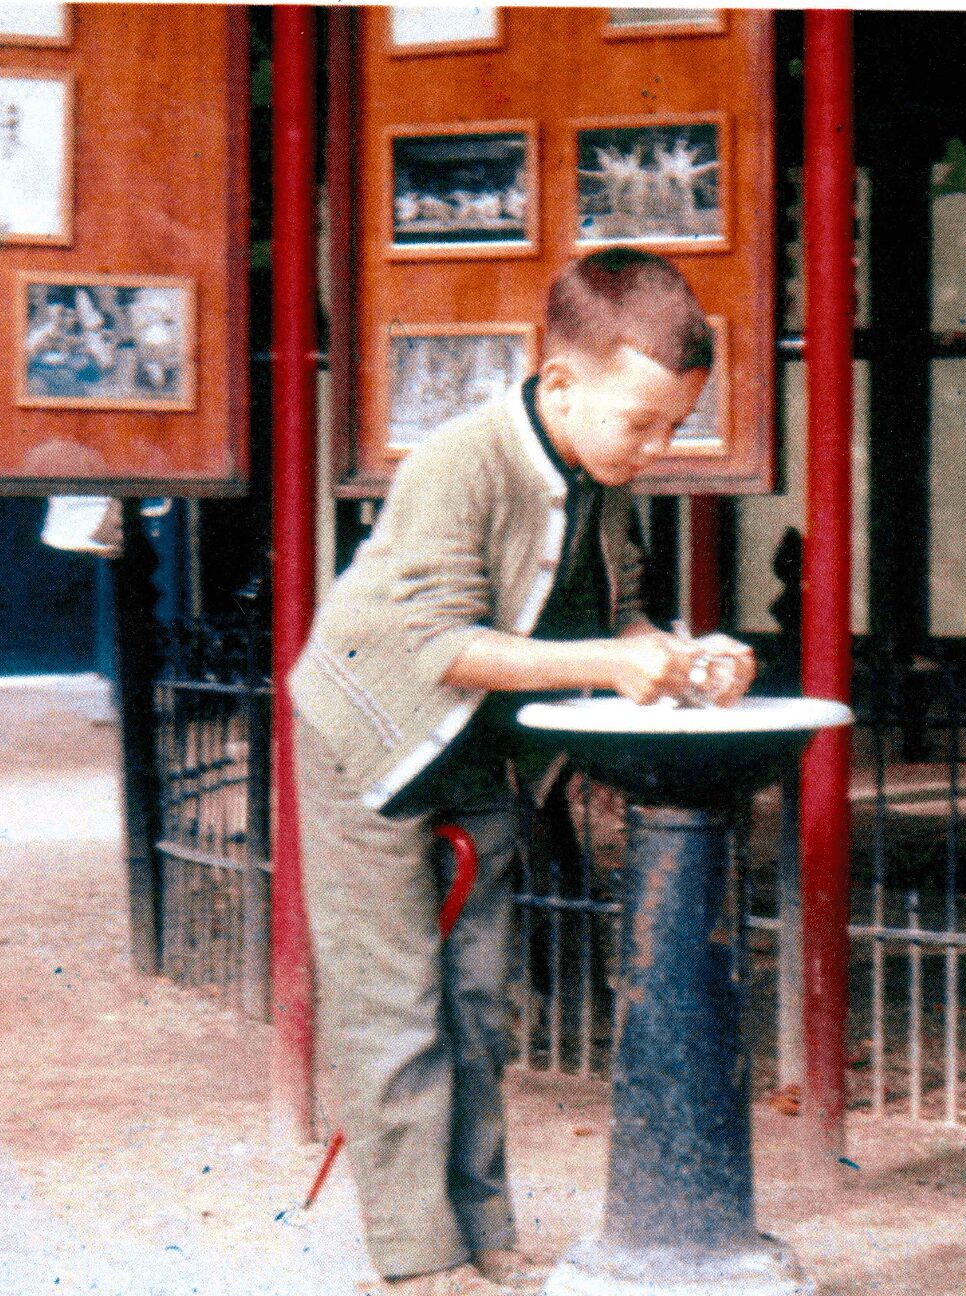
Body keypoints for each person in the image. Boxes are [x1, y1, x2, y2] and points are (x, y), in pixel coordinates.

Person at [288, 249, 754, 1295]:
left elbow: (617, 618)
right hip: (366, 745)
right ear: (559, 384)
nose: (657, 446)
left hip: (479, 754)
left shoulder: (602, 474)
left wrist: (688, 659)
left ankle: (487, 1238)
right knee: (394, 1008)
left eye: (675, 426)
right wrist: (610, 662)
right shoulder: (459, 462)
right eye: (642, 422)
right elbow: (438, 647)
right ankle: (419, 1264)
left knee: (480, 1005)